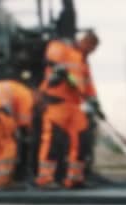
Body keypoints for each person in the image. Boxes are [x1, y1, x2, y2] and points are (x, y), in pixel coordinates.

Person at [35, 30, 101, 190]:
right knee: (53, 140)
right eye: (90, 47)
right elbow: (53, 64)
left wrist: (94, 101)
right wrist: (59, 72)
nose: (90, 52)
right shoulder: (61, 47)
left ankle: (74, 178)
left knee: (82, 140)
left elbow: (87, 85)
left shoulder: (82, 61)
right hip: (56, 102)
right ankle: (45, 178)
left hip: (74, 105)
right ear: (84, 41)